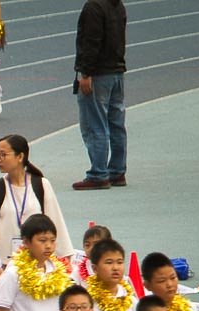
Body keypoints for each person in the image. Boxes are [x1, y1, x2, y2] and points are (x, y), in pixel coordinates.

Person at [0, 135, 74, 262]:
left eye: (3, 155)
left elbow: (56, 221)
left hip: (38, 264)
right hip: (5, 264)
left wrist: (65, 256)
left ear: (20, 157)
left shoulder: (41, 185)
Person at [73, 0, 127, 190]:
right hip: (117, 72)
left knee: (94, 124)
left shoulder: (93, 7)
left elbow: (91, 42)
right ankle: (117, 171)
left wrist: (85, 73)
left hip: (98, 75)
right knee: (116, 124)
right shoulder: (118, 4)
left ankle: (98, 173)